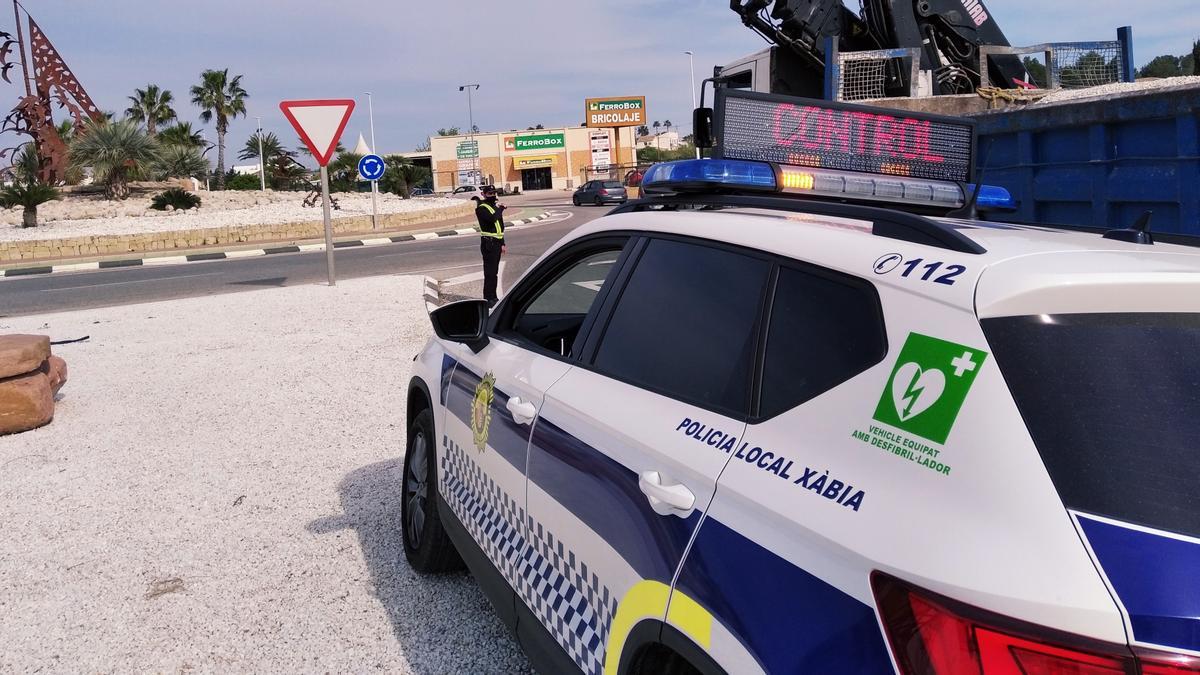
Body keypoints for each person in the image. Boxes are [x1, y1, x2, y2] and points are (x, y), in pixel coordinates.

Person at [475, 185, 506, 307]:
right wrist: (501, 208)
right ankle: (488, 298)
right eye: (489, 194)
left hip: (497, 242)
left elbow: (500, 227)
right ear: (483, 194)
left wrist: (503, 243)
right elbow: (492, 219)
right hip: (489, 243)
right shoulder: (481, 208)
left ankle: (493, 297)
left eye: (494, 193)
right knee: (490, 273)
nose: (492, 196)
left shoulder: (494, 207)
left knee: (495, 272)